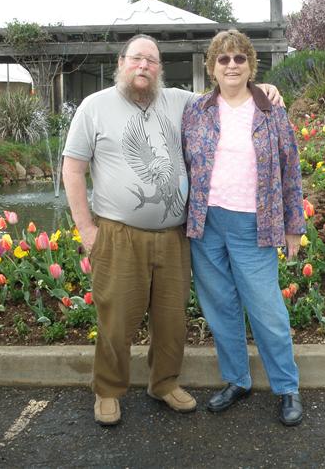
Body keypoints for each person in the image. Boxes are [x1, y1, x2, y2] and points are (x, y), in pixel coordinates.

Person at [62, 34, 282, 426]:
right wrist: (86, 230)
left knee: (171, 320)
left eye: (151, 60)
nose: (143, 66)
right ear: (122, 62)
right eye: (136, 59)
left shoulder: (182, 102)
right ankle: (109, 391)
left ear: (160, 68)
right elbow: (73, 169)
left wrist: (262, 89)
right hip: (118, 234)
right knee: (116, 319)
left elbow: (229, 93)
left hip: (175, 235)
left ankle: (163, 383)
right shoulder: (94, 108)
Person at [181, 29, 306, 426]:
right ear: (212, 67)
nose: (231, 65)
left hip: (255, 225)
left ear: (251, 66)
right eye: (224, 59)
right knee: (220, 308)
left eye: (239, 59)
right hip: (207, 224)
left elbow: (291, 170)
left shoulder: (270, 110)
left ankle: (287, 388)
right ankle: (237, 380)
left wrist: (293, 226)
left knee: (267, 309)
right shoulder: (196, 111)